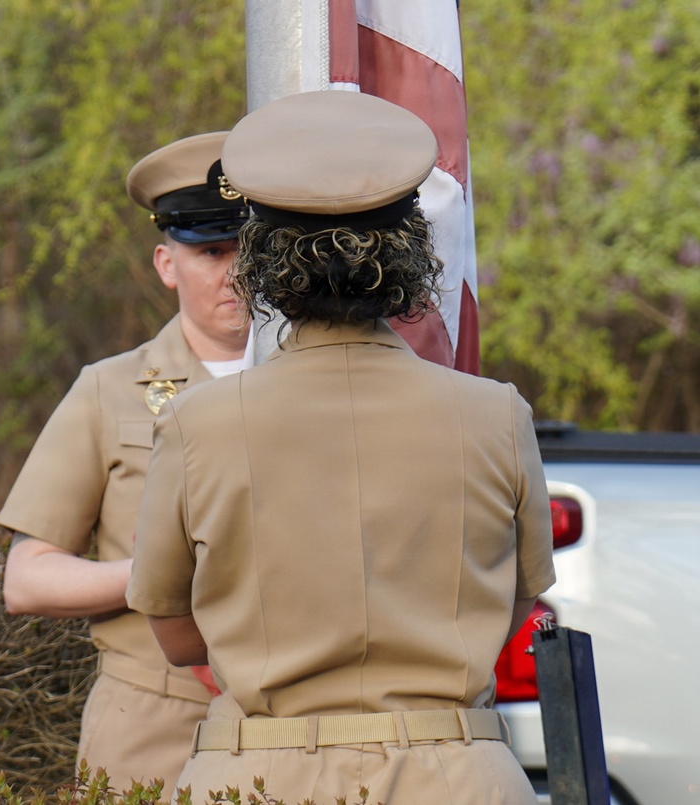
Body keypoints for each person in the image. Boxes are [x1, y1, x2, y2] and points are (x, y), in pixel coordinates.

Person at [126, 90, 556, 804]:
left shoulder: (198, 423)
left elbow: (176, 635)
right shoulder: (496, 415)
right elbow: (517, 601)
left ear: (262, 263)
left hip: (260, 778)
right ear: (410, 255)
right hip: (456, 777)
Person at [0, 131, 252, 794]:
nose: (234, 271)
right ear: (167, 263)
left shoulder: (314, 390)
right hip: (151, 725)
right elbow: (27, 579)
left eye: (250, 248)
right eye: (212, 251)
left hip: (288, 725)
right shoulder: (109, 391)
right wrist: (149, 573)